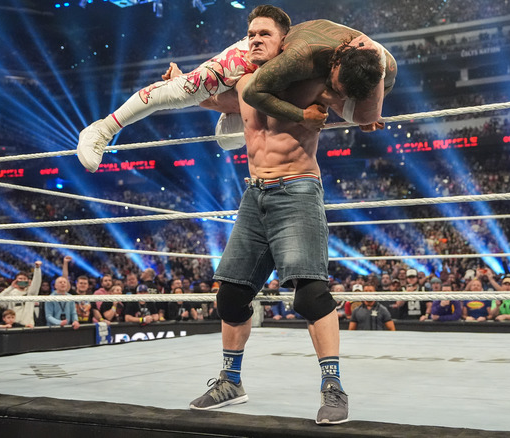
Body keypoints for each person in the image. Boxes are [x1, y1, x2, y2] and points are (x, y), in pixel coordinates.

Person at [188, 6, 360, 425]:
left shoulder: (308, 81)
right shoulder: (246, 82)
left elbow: (351, 101)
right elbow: (211, 99)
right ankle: (230, 381)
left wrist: (364, 108)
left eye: (264, 33)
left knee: (310, 294)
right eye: (250, 34)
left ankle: (333, 387)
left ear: (285, 41)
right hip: (254, 194)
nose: (254, 39)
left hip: (298, 187)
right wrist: (176, 83)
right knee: (229, 295)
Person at [76, 6, 396, 172]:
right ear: (338, 60)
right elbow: (256, 92)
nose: (336, 93)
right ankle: (101, 130)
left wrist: (364, 108)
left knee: (228, 140)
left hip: (288, 78)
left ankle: (224, 106)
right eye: (336, 87)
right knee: (183, 91)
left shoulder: (378, 65)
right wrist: (302, 114)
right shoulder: (292, 54)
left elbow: (355, 99)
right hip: (264, 62)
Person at [0, 261, 42, 328]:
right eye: (20, 279)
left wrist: (37, 269)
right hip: (14, 326)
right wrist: (11, 287)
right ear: (15, 281)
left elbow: (37, 283)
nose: (22, 281)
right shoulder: (11, 294)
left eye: (24, 279)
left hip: (28, 326)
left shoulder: (31, 293)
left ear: (28, 281)